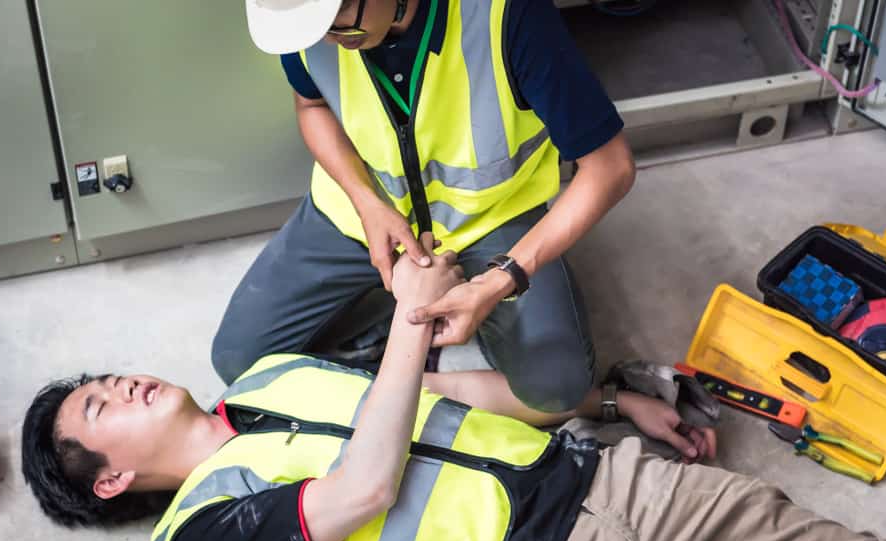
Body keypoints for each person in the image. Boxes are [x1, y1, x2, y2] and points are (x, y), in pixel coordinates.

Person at [24, 237, 886, 541]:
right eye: (99, 407)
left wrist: (611, 400)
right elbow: (364, 487)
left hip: (613, 486)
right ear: (109, 479)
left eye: (109, 377)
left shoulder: (268, 379)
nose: (124, 384)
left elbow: (440, 396)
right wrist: (416, 313)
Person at [211, 0, 636, 414]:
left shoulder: (506, 14)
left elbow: (610, 168)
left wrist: (499, 280)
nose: (327, 40)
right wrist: (365, 201)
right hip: (359, 217)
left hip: (490, 219)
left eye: (338, 19)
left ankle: (452, 301)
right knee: (241, 363)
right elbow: (311, 104)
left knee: (556, 387)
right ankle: (400, 301)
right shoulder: (306, 24)